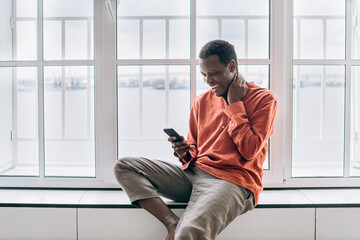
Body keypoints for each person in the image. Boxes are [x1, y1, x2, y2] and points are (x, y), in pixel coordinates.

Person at [113, 40, 277, 240]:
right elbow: (194, 150)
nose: (208, 80)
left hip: (233, 180)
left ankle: (180, 228)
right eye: (204, 74)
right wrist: (184, 152)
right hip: (194, 174)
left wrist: (235, 104)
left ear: (232, 67)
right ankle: (171, 223)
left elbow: (250, 150)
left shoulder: (263, 99)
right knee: (124, 166)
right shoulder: (202, 101)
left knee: (189, 234)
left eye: (214, 73)